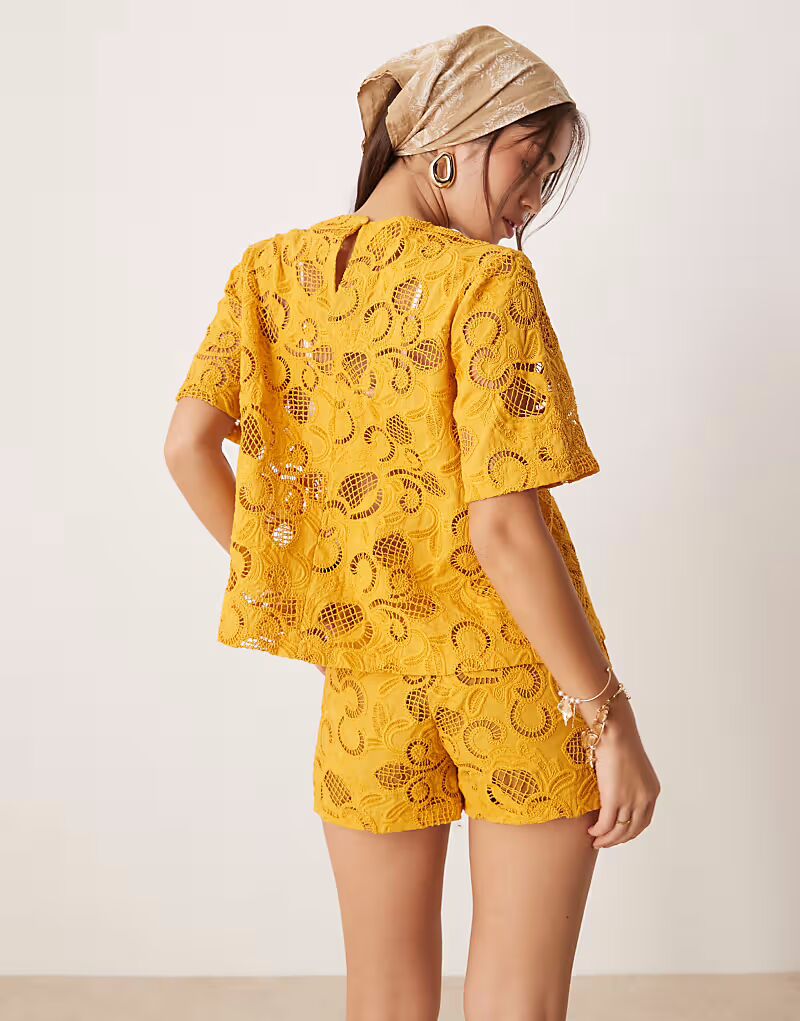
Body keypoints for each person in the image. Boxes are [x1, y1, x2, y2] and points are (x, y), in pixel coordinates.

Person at [164, 24, 661, 1021]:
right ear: (453, 138)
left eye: (549, 175)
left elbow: (187, 446)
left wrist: (324, 588)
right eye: (529, 160)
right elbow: (503, 528)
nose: (533, 197)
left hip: (367, 676)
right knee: (516, 1003)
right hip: (515, 674)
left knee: (382, 999)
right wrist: (606, 715)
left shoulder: (271, 271)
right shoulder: (486, 283)